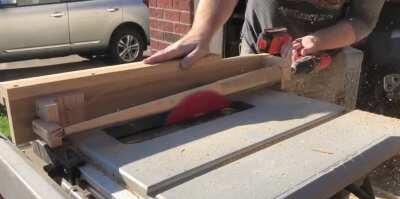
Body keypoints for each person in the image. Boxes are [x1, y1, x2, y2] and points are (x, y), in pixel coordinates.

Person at [144, 0, 385, 107]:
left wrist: (319, 41)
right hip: (259, 56)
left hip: (323, 63)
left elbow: (363, 19)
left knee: (311, 145)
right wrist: (201, 33)